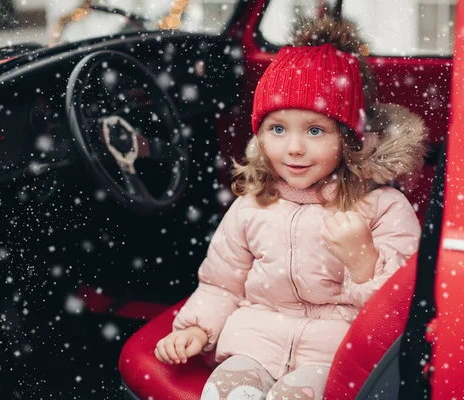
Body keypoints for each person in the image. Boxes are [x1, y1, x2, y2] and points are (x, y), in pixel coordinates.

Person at [155, 15, 427, 400]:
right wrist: (197, 328)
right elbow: (222, 282)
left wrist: (363, 260)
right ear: (260, 134)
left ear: (350, 140)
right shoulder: (253, 204)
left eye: (315, 130)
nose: (294, 148)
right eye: (277, 129)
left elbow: (397, 314)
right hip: (253, 345)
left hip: (334, 355)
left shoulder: (383, 208)